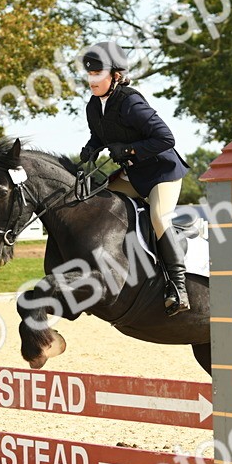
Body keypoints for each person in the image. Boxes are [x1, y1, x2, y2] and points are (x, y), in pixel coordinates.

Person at [78, 40, 190, 315]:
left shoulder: (131, 102)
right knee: (97, 203)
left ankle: (178, 287)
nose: (92, 80)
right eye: (90, 74)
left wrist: (128, 150)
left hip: (161, 174)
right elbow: (100, 135)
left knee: (159, 217)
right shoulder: (93, 106)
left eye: (98, 74)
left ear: (115, 75)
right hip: (133, 175)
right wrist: (92, 147)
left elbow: (166, 138)